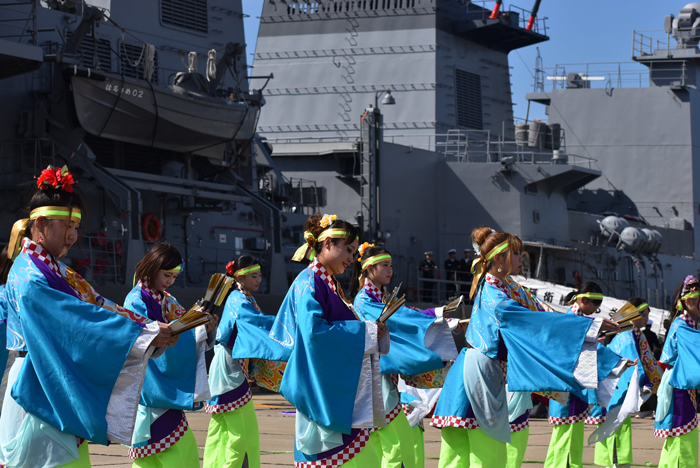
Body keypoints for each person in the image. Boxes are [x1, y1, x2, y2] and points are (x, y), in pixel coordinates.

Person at [0, 165, 176, 468]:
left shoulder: (48, 267)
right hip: (39, 383)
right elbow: (77, 321)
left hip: (50, 378)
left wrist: (144, 328)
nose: (73, 235)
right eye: (66, 225)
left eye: (76, 226)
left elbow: (96, 305)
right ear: (39, 224)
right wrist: (142, 334)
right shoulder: (32, 277)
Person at [431, 228, 624, 468]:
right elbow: (537, 323)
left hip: (476, 370)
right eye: (517, 253)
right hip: (480, 373)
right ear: (500, 258)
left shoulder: (506, 288)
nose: (522, 258)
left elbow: (544, 315)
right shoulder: (496, 295)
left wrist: (593, 329)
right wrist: (590, 326)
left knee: (459, 457)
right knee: (488, 456)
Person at [270, 213, 389, 467]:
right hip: (323, 391)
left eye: (354, 251)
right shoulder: (311, 282)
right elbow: (314, 334)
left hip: (333, 388)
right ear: (327, 244)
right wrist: (366, 331)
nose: (351, 257)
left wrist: (369, 331)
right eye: (348, 249)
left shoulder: (327, 282)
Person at [351, 243, 458, 468]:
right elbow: (402, 320)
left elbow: (406, 313)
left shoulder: (381, 296)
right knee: (394, 445)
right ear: (369, 269)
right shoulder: (364, 300)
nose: (390, 270)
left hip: (383, 377)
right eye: (384, 265)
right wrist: (440, 322)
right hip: (373, 378)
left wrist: (438, 314)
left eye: (390, 265)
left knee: (399, 442)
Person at [124, 243, 217, 467]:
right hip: (150, 387)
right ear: (152, 267)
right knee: (180, 453)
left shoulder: (166, 299)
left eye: (174, 276)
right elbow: (142, 342)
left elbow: (185, 327)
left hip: (156, 390)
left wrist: (205, 325)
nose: (170, 281)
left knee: (153, 458)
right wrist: (199, 330)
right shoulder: (135, 300)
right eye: (167, 274)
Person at [203, 255, 287, 468]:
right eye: (254, 275)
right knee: (239, 431)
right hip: (229, 366)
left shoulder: (243, 297)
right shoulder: (237, 299)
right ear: (240, 276)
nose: (259, 280)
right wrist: (285, 325)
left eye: (259, 275)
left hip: (231, 364)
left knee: (226, 429)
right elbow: (252, 321)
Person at [544, 282, 629, 468]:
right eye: (595, 304)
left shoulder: (578, 320)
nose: (597, 309)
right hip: (568, 386)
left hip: (573, 386)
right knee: (564, 439)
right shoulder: (573, 320)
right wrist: (618, 361)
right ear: (582, 300)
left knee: (570, 437)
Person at [590, 298, 662, 468]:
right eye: (644, 315)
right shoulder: (626, 335)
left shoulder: (635, 334)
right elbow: (634, 365)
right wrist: (644, 383)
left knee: (619, 429)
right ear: (634, 315)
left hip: (619, 392)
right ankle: (616, 464)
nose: (646, 319)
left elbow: (646, 361)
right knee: (616, 430)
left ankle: (618, 463)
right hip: (618, 392)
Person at [654, 276, 700, 468]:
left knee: (680, 438)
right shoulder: (682, 325)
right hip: (678, 387)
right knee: (682, 437)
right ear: (688, 301)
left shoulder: (689, 324)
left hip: (681, 385)